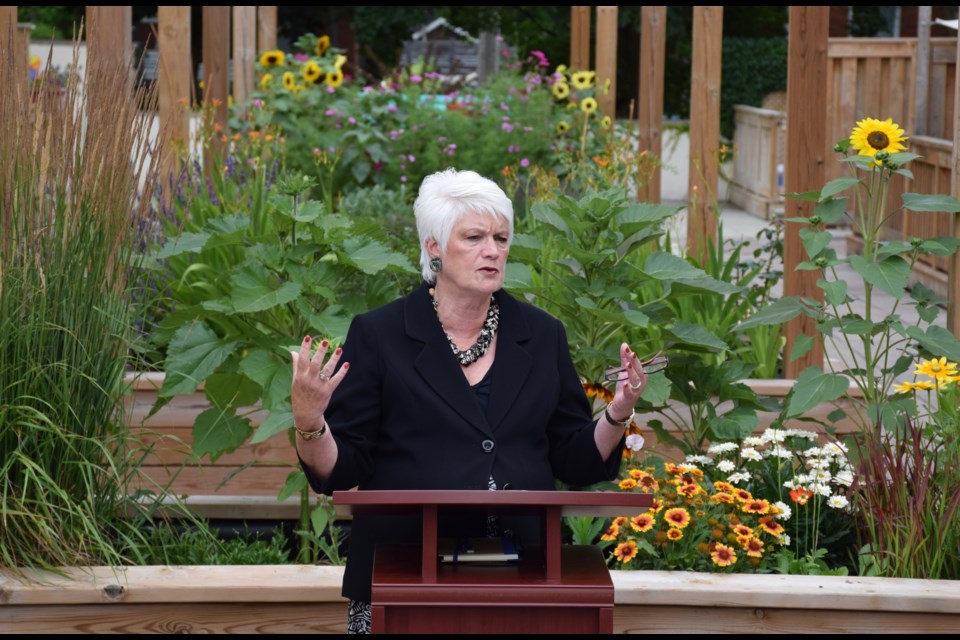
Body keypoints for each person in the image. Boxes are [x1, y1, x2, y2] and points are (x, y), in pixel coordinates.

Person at [290, 168, 648, 634]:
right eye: (475, 237)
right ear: (434, 247)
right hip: (403, 574)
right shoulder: (379, 334)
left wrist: (617, 411)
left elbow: (574, 459)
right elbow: (341, 470)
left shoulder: (541, 334)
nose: (493, 250)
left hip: (528, 573)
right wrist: (310, 420)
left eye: (501, 238)